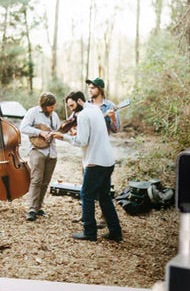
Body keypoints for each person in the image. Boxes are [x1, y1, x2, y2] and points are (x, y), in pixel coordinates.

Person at [53, 91, 123, 242]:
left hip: (95, 162)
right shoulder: (95, 109)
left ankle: (90, 232)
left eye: (72, 105)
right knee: (104, 197)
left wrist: (63, 137)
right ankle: (115, 232)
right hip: (108, 160)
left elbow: (82, 142)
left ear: (79, 100)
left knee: (86, 195)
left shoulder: (83, 115)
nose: (71, 109)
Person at [19, 92, 61, 222]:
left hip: (51, 151)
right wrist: (40, 132)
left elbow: (59, 130)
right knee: (36, 180)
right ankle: (32, 209)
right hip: (37, 150)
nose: (53, 109)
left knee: (45, 182)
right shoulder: (33, 112)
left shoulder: (54, 116)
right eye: (51, 107)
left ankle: (39, 207)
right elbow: (23, 128)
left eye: (54, 106)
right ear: (43, 106)